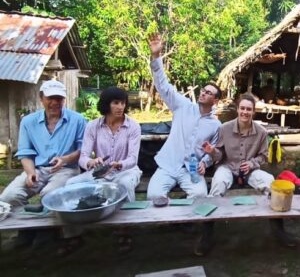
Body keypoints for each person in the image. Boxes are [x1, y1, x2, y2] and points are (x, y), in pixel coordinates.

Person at [197, 94, 296, 256]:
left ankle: (279, 230)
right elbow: (220, 154)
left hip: (249, 171)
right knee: (218, 183)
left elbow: (263, 156)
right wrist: (212, 151)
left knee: (270, 182)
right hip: (227, 167)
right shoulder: (225, 128)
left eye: (249, 109)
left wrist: (251, 163)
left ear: (253, 112)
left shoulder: (262, 132)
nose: (245, 112)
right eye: (242, 108)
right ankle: (206, 235)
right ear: (237, 109)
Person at [0, 80, 86, 248]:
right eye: (50, 98)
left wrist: (65, 159)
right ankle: (27, 230)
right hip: (38, 168)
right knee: (10, 196)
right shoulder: (28, 122)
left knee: (50, 194)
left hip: (66, 169)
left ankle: (62, 234)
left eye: (59, 98)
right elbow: (25, 152)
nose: (55, 102)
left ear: (64, 99)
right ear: (41, 99)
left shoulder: (77, 120)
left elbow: (84, 150)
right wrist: (30, 172)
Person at [64, 86, 142, 254]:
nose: (120, 107)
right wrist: (92, 161)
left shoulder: (133, 126)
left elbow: (133, 159)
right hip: (100, 171)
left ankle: (125, 231)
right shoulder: (93, 126)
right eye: (116, 103)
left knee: (124, 184)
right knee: (71, 184)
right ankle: (74, 234)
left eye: (123, 103)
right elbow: (83, 156)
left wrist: (119, 164)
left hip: (127, 170)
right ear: (107, 104)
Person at [146, 34, 221, 200]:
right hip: (168, 164)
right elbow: (164, 86)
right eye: (203, 90)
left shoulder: (216, 125)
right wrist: (156, 56)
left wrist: (205, 162)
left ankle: (187, 224)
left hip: (191, 169)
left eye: (209, 93)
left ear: (215, 100)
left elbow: (214, 151)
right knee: (153, 195)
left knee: (200, 194)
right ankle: (168, 221)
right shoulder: (182, 106)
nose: (203, 93)